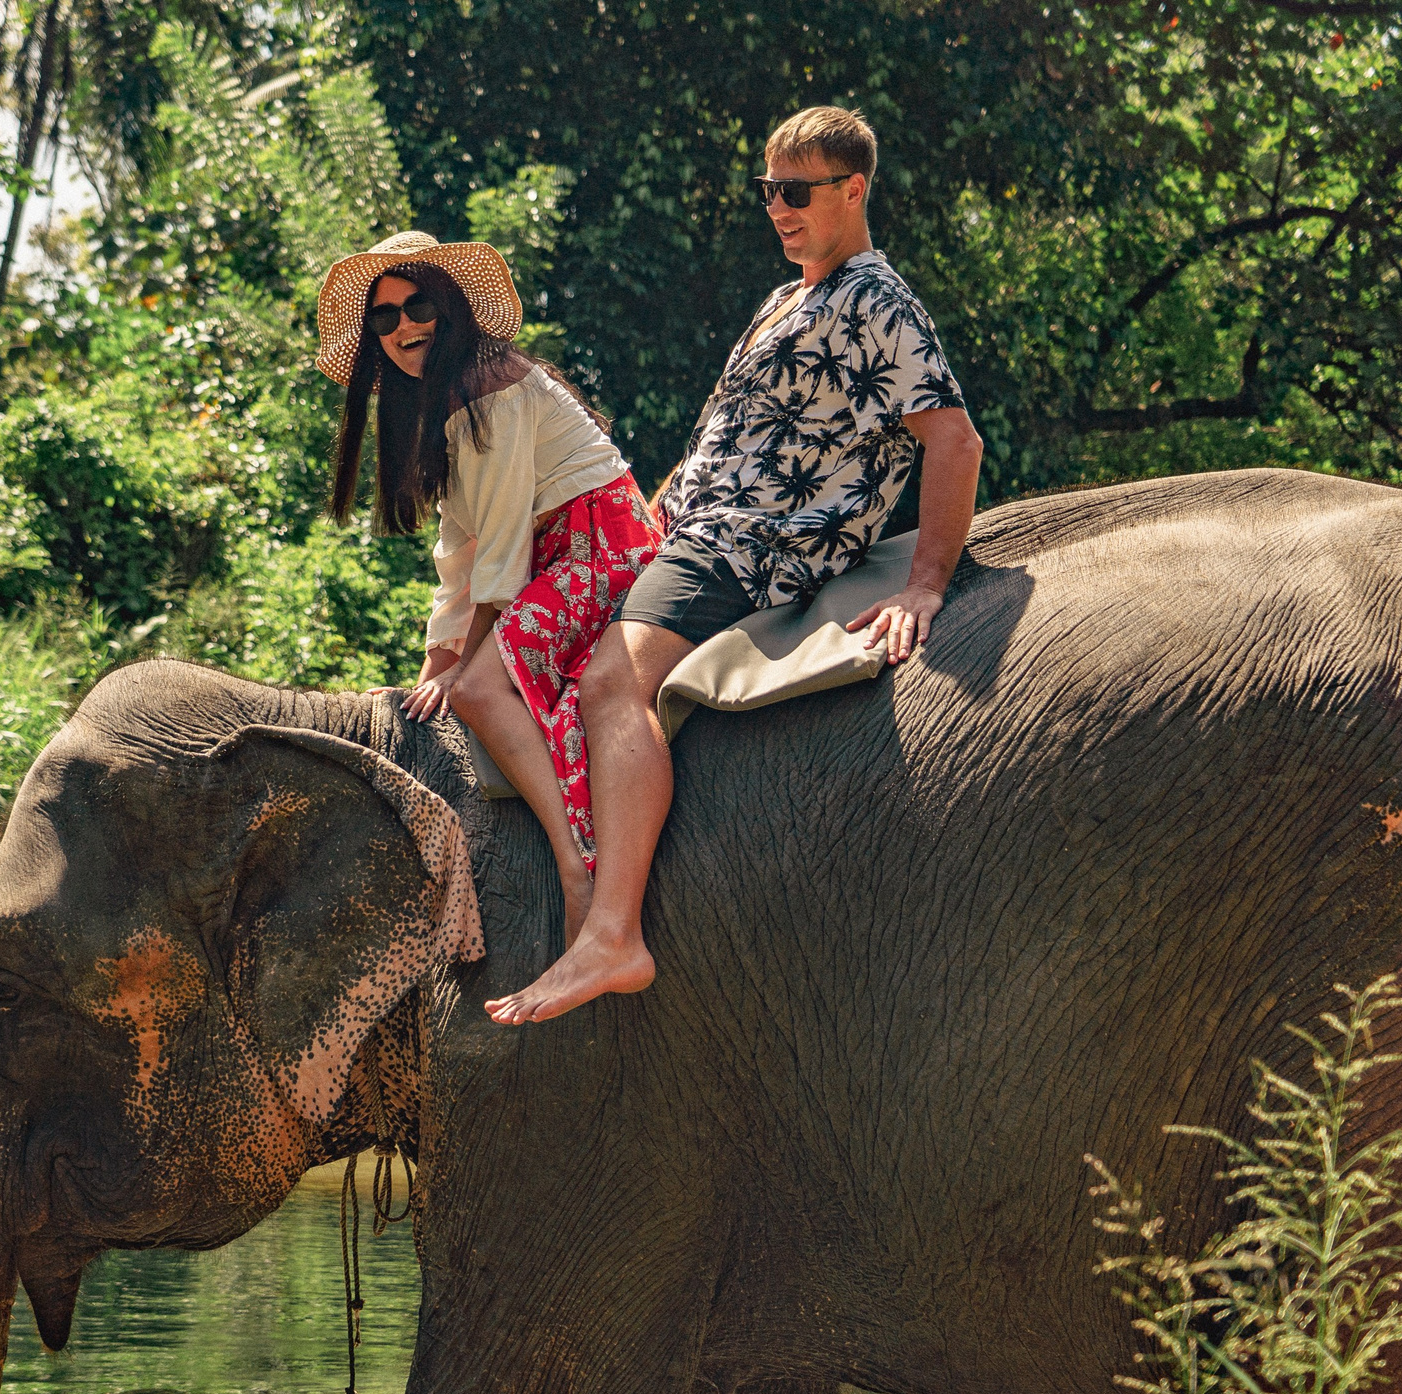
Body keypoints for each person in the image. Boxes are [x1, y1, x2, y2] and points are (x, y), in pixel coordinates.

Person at [485, 106, 985, 1025]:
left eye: (797, 192)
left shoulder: (877, 300)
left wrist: (924, 583)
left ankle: (614, 934)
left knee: (609, 684)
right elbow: (722, 436)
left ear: (853, 190)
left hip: (755, 544)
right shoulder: (788, 295)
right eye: (768, 192)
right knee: (513, 654)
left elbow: (953, 439)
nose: (779, 209)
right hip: (687, 527)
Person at [318, 230, 664, 943]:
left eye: (417, 306)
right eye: (384, 317)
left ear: (447, 307)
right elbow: (461, 549)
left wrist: (463, 670)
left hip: (600, 544)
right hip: (549, 555)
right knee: (448, 686)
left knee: (477, 692)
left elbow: (500, 556)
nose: (404, 326)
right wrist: (433, 662)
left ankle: (575, 866)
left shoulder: (489, 384)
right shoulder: (442, 400)